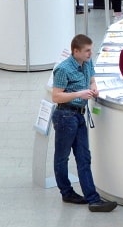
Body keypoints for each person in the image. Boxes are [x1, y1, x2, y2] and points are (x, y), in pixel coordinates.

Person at [50, 34, 117, 212]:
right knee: (62, 157)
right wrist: (79, 94)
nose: (90, 53)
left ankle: (93, 199)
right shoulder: (63, 69)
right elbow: (56, 96)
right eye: (87, 50)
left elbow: (92, 80)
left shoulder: (87, 63)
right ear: (76, 51)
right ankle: (66, 191)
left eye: (91, 49)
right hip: (65, 115)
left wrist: (93, 88)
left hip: (79, 116)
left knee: (84, 157)